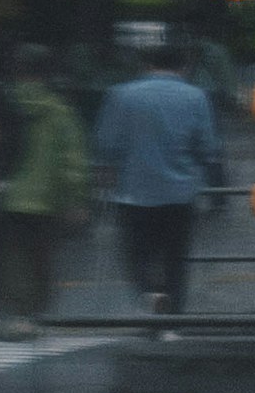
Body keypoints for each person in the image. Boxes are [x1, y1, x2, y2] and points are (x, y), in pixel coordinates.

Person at [92, 42, 223, 320]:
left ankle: (150, 294)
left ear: (147, 65)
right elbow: (208, 148)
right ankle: (173, 319)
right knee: (175, 258)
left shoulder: (121, 95)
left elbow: (106, 145)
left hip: (133, 193)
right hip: (180, 194)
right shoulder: (196, 97)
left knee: (137, 255)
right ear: (184, 66)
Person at [0, 47, 90, 338]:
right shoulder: (60, 111)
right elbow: (73, 160)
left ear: (16, 70)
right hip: (47, 200)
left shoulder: (3, 103)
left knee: (11, 259)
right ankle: (34, 313)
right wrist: (76, 199)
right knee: (41, 258)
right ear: (46, 75)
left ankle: (14, 313)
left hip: (7, 196)